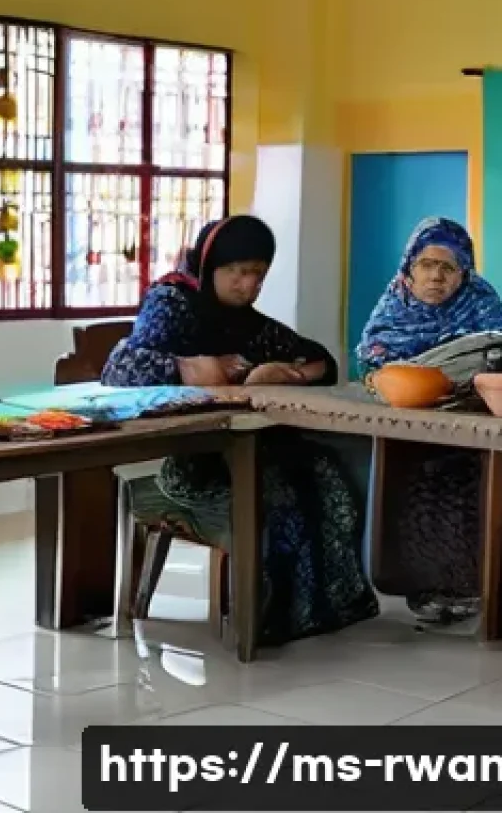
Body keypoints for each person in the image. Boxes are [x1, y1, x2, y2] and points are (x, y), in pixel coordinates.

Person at [102, 214, 378, 645]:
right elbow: (120, 369)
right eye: (238, 272)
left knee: (326, 475)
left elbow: (322, 360)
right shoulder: (171, 302)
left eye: (258, 276)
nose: (248, 286)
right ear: (210, 265)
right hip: (184, 463)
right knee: (280, 492)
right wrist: (201, 369)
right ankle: (266, 617)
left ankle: (322, 610)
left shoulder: (249, 324)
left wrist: (288, 374)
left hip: (240, 449)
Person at [357, 216, 502, 623]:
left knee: (472, 479)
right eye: (427, 264)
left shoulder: (483, 303)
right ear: (409, 269)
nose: (436, 276)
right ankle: (424, 585)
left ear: (464, 274)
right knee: (415, 483)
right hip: (408, 429)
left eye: (448, 267)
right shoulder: (393, 307)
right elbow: (373, 360)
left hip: (473, 424)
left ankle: (477, 585)